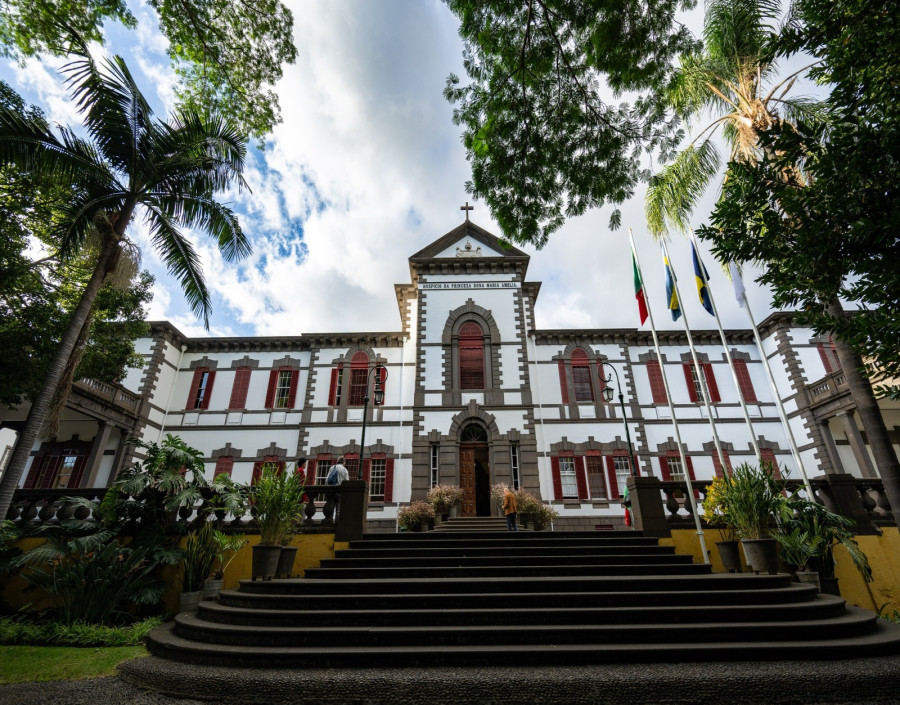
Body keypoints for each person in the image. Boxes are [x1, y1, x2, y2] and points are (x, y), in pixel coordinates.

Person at [326, 456, 350, 521]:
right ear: (344, 462)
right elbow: (347, 482)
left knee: (331, 507)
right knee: (338, 508)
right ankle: (337, 522)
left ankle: (329, 521)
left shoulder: (332, 467)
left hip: (331, 490)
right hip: (340, 491)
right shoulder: (344, 470)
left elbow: (327, 480)